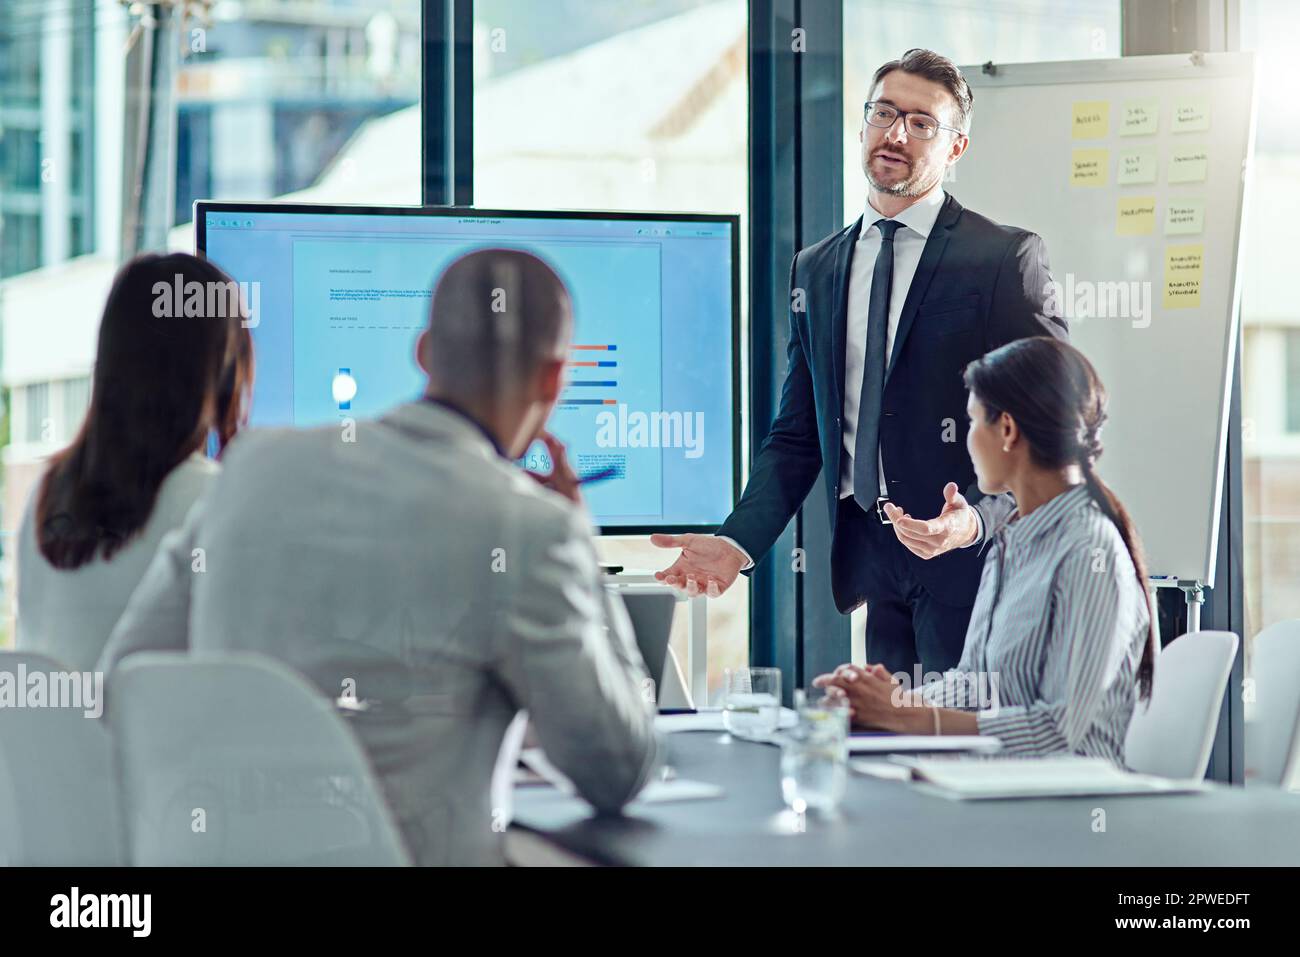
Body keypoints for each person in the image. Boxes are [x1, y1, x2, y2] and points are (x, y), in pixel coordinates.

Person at [98, 248, 659, 866]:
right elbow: (617, 769)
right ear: (554, 379)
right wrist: (577, 532)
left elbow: (126, 675)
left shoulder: (250, 469)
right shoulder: (529, 527)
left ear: (421, 353)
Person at [652, 48, 1067, 676]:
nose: (896, 134)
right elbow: (797, 436)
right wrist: (738, 542)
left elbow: (1054, 428)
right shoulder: (816, 268)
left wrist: (975, 522)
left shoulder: (1003, 259)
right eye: (884, 113)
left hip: (980, 568)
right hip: (875, 566)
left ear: (955, 148)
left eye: (923, 123)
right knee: (889, 754)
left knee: (967, 759)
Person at [815, 338, 1158, 764]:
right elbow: (972, 685)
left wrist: (911, 719)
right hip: (995, 792)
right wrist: (885, 703)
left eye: (974, 421)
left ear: (1008, 430)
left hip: (1065, 810)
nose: (968, 440)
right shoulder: (1011, 542)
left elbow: (1061, 734)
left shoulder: (1091, 553)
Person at [16, 252, 253, 673]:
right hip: (151, 738)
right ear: (223, 372)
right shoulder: (215, 501)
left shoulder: (44, 493)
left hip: (51, 739)